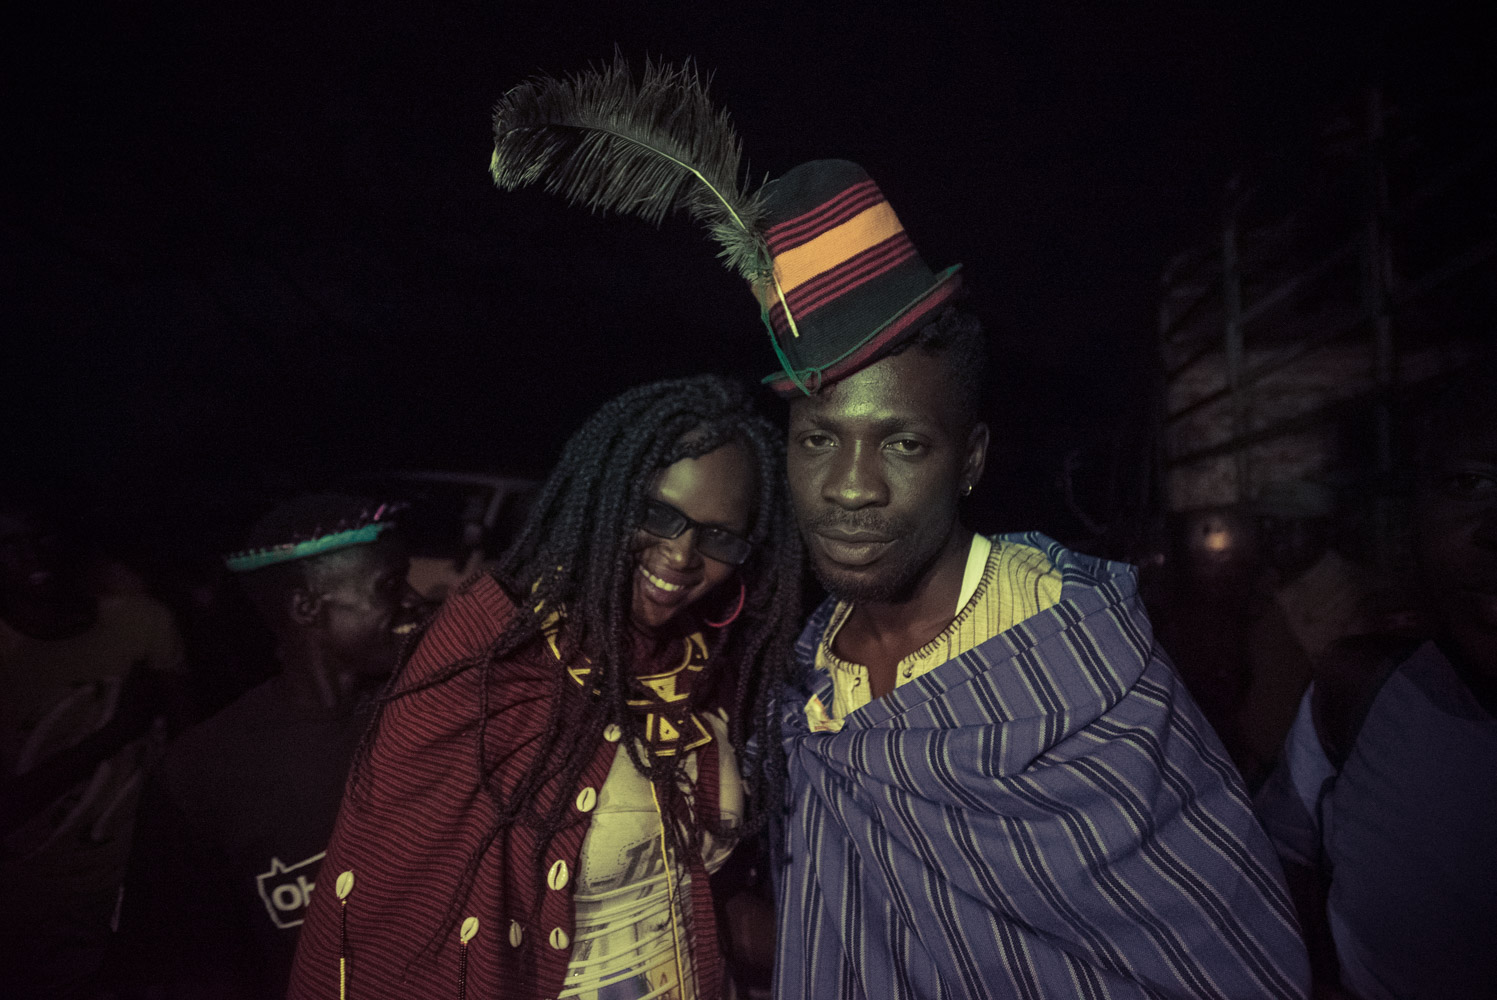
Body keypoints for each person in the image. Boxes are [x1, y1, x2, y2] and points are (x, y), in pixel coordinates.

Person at [752, 160, 1310, 999]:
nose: (851, 488)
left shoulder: (1083, 662)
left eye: (903, 444)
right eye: (818, 441)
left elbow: (1226, 958)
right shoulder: (803, 675)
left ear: (970, 460)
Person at [287, 376, 802, 1000]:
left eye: (718, 536)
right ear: (605, 496)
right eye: (657, 514)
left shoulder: (712, 668)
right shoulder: (492, 651)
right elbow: (397, 902)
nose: (681, 554)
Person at [108, 494, 424, 999]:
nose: (414, 600)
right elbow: (181, 963)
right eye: (390, 586)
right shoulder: (205, 771)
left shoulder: (432, 717)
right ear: (306, 608)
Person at [1254, 362, 1497, 999]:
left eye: (1290, 526)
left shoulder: (1344, 601)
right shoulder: (1364, 686)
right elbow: (1287, 856)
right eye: (1471, 483)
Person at [0, 485, 188, 999]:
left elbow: (190, 751)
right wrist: (112, 735)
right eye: (7, 546)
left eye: (40, 537)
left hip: (137, 883)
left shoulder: (140, 622)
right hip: (30, 906)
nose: (30, 556)